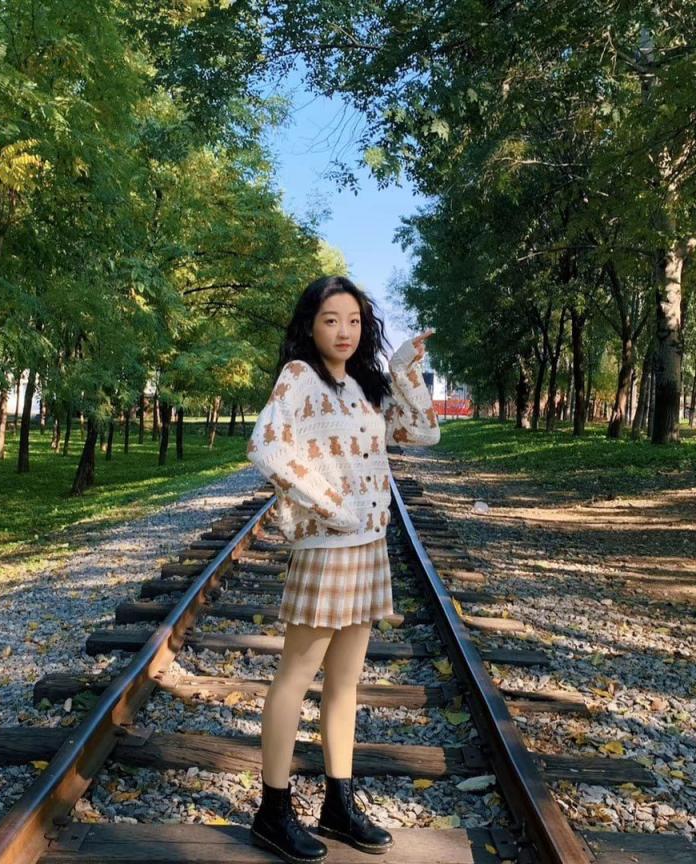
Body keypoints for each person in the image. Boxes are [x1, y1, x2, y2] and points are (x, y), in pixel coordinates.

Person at [246, 275, 441, 863]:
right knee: (295, 677)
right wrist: (330, 505)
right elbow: (265, 447)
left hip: (368, 547)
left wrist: (403, 369)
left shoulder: (362, 386)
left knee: (345, 683)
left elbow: (424, 432)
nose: (344, 331)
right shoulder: (299, 378)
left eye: (354, 321)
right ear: (310, 325)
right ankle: (272, 812)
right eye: (332, 320)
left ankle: (338, 802)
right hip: (327, 550)